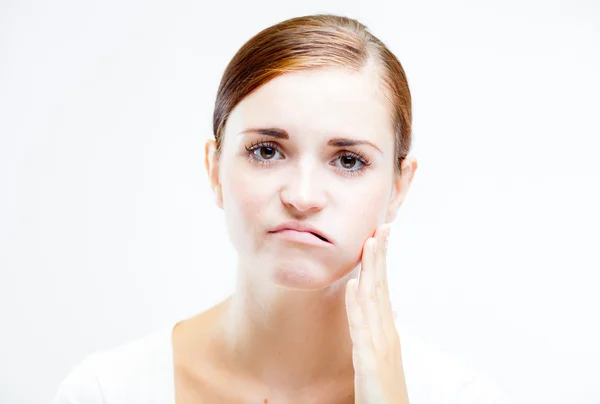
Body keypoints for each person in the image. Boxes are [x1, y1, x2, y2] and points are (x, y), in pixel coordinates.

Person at [54, 14, 506, 404]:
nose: (303, 196)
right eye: (267, 151)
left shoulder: (458, 394)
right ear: (214, 169)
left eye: (348, 160)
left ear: (398, 188)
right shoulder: (105, 390)